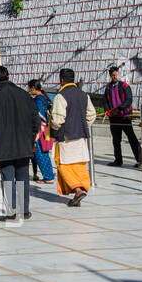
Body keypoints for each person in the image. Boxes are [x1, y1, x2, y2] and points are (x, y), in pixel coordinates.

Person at [0, 65, 40, 221]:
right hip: (24, 143)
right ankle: (24, 210)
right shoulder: (24, 94)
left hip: (4, 144)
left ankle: (12, 212)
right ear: (8, 76)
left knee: (8, 177)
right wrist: (32, 137)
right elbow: (35, 119)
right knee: (23, 176)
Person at [50, 68, 96, 207]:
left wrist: (55, 128)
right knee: (79, 164)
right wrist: (81, 125)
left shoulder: (61, 96)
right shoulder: (83, 95)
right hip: (81, 135)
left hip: (66, 136)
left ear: (61, 80)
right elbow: (92, 114)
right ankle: (80, 190)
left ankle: (77, 189)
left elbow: (57, 119)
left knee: (64, 164)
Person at [104, 66, 141, 167]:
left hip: (125, 116)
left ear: (119, 74)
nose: (115, 77)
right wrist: (107, 111)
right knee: (116, 140)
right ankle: (118, 160)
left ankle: (140, 160)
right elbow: (105, 101)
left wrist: (119, 108)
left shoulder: (124, 86)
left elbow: (129, 100)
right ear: (110, 76)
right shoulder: (108, 87)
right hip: (114, 117)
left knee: (132, 138)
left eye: (116, 75)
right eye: (113, 75)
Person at [27, 80, 56, 184]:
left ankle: (48, 176)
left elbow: (39, 115)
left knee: (40, 153)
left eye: (29, 88)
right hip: (46, 128)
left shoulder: (38, 99)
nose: (29, 90)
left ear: (33, 88)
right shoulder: (44, 97)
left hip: (40, 129)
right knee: (44, 152)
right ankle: (49, 173)